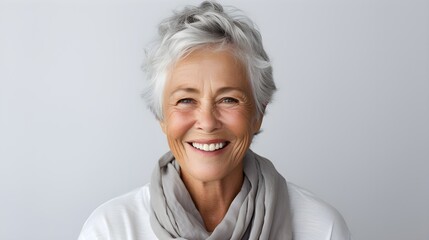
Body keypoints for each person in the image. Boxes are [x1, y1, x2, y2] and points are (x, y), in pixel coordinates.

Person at [78, 1, 352, 239]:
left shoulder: (320, 228)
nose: (207, 123)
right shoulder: (111, 230)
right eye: (186, 100)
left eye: (228, 99)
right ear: (162, 116)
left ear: (259, 113)